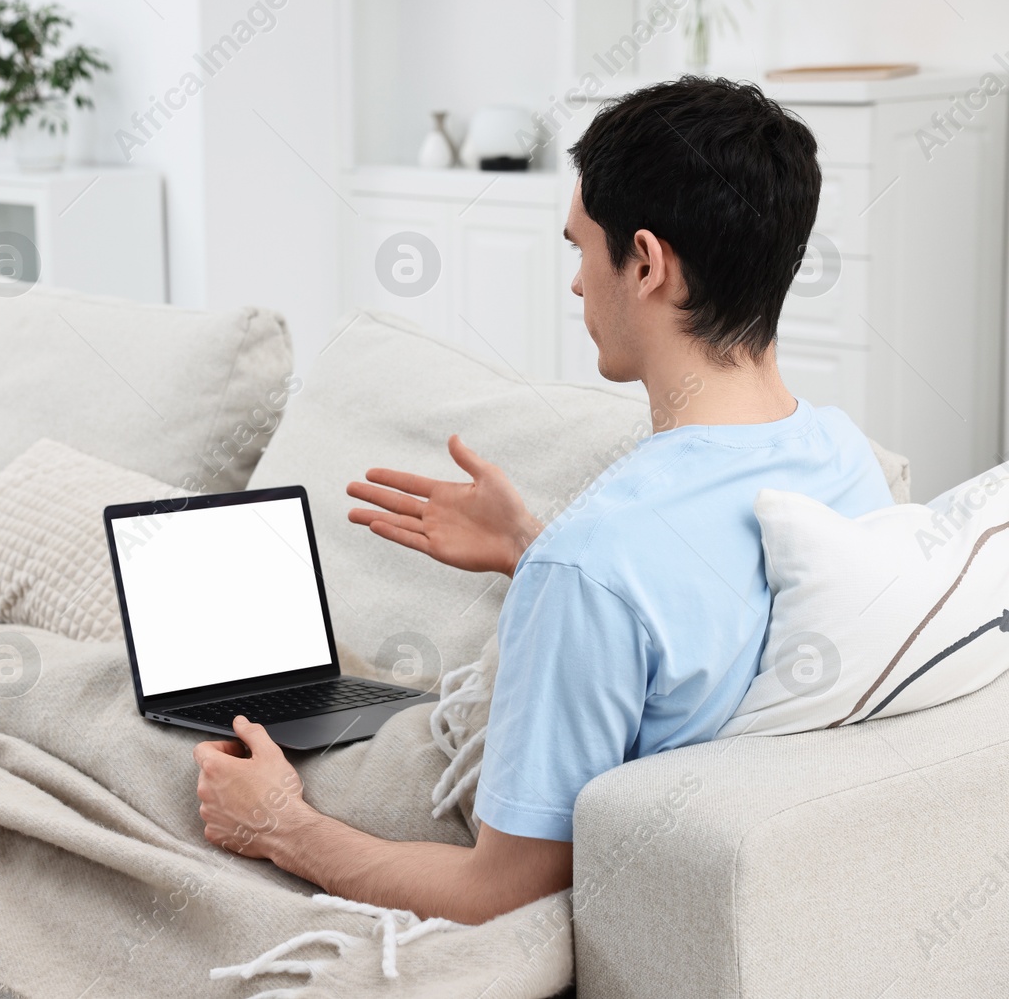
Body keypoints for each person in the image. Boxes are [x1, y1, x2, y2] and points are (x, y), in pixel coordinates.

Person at [191, 76, 895, 925]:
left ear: (645, 262)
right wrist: (531, 545)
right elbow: (695, 628)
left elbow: (502, 892)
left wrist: (280, 826)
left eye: (580, 249)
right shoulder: (844, 459)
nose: (573, 285)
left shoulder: (595, 563)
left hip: (404, 789)